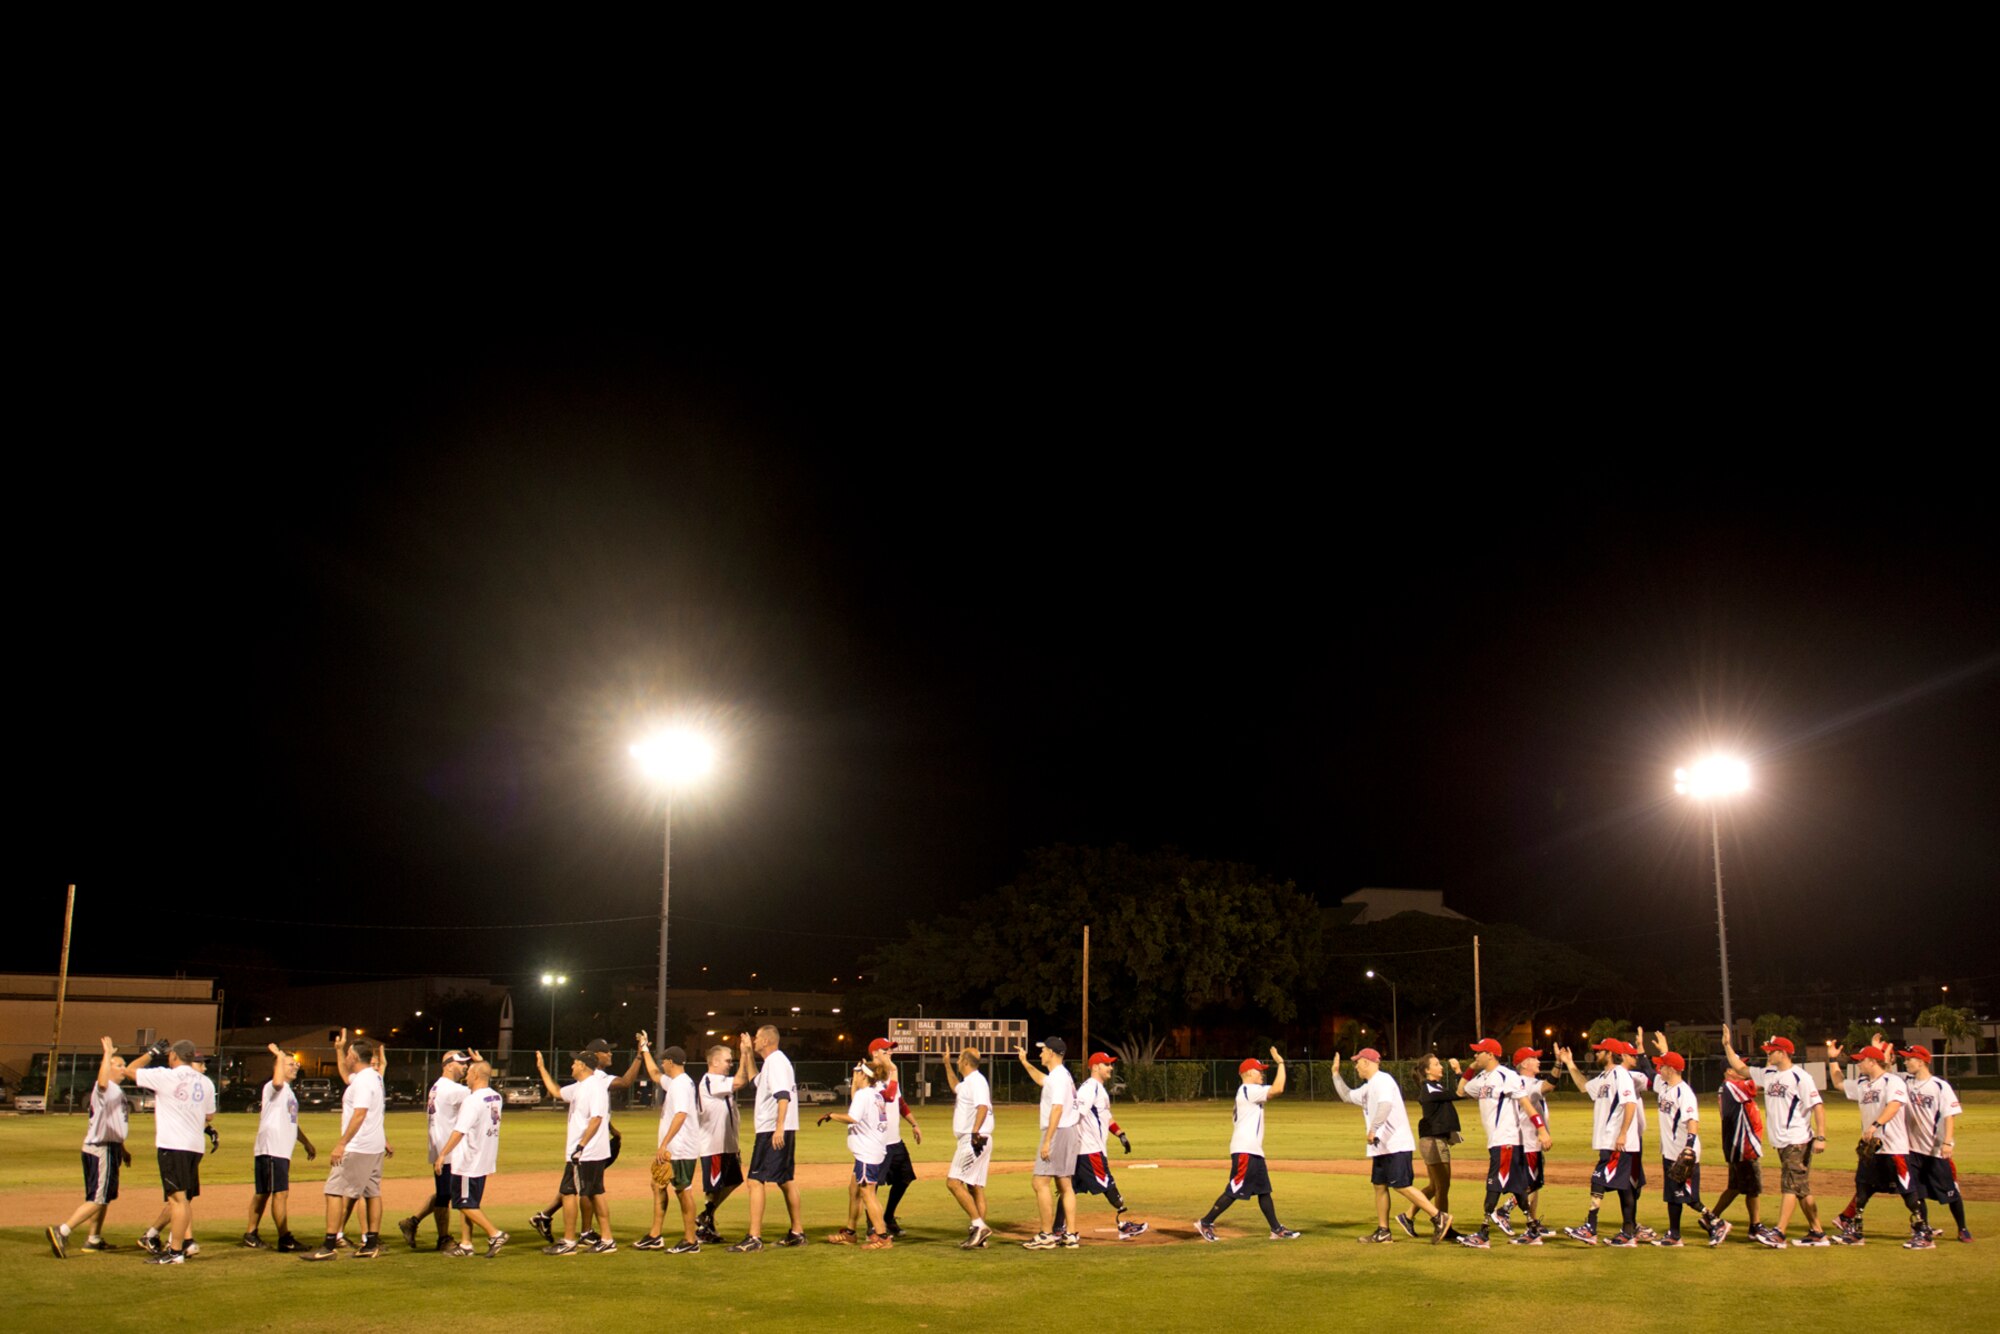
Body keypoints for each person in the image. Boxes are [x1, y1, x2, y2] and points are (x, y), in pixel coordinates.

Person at [1722, 1031, 1829, 1246]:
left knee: (1789, 1186)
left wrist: (1821, 1136)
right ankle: (1817, 1232)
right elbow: (1741, 1068)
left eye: (1771, 1052)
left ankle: (1779, 1233)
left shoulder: (1801, 1077)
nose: (1768, 1055)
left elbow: (1818, 1106)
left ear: (1782, 1053)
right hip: (1782, 1142)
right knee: (1801, 1189)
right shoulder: (1769, 1073)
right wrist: (1727, 1045)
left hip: (1797, 1140)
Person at [531, 1039, 638, 1246]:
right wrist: (542, 1069)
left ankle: (573, 1239)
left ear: (582, 1065)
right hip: (584, 1151)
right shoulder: (580, 1087)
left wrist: (580, 1147)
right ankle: (597, 1237)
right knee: (590, 1192)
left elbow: (597, 1117)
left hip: (585, 1152)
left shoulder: (595, 1086)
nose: (571, 1065)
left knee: (576, 1192)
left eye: (574, 1063)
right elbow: (556, 1092)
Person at [1335, 1048, 1447, 1244]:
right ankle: (1383, 1231)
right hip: (1382, 1147)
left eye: (1357, 1062)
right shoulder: (1368, 1086)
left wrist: (1373, 1129)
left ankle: (1439, 1217)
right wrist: (1335, 1074)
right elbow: (1346, 1096)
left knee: (1401, 1185)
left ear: (1367, 1062)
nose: (1355, 1066)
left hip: (1395, 1144)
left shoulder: (1383, 1080)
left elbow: (1385, 1105)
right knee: (1379, 1186)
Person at [1827, 1042, 1927, 1248]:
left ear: (1872, 1061)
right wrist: (1832, 1059)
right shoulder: (1863, 1084)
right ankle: (1856, 1232)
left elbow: (1895, 1105)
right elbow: (1839, 1083)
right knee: (1862, 1187)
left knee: (1907, 1191)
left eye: (1861, 1061)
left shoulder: (1892, 1081)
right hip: (1872, 1149)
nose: (1858, 1064)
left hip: (1894, 1148)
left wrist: (1875, 1125)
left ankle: (1923, 1233)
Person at [125, 1038, 215, 1264]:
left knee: (177, 1199)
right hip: (195, 1146)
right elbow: (209, 1115)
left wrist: (152, 1052)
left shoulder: (166, 1076)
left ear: (174, 1056)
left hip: (173, 1145)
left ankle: (175, 1252)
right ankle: (183, 1244)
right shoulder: (206, 1082)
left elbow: (130, 1070)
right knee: (183, 1198)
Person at [1193, 1049, 1296, 1243]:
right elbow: (1278, 1089)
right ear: (1249, 1073)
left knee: (1264, 1190)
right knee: (1234, 1189)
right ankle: (1205, 1222)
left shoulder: (1249, 1092)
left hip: (1253, 1150)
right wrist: (1281, 1064)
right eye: (1259, 1070)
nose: (1262, 1074)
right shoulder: (1248, 1090)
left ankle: (1276, 1229)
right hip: (1245, 1150)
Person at [303, 1036, 389, 1261]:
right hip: (374, 1146)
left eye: (348, 1053)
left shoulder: (363, 1082)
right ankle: (370, 1243)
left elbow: (360, 1114)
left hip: (358, 1146)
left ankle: (329, 1244)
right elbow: (345, 1075)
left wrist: (341, 1144)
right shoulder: (373, 1077)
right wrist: (339, 1050)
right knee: (372, 1193)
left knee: (333, 1190)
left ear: (354, 1056)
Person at [47, 1036, 132, 1259]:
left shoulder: (116, 1091)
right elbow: (102, 1082)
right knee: (98, 1198)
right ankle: (62, 1231)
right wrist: (106, 1054)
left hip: (110, 1147)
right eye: (119, 1064)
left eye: (124, 1064)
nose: (123, 1068)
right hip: (100, 1148)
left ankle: (94, 1239)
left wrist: (122, 1149)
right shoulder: (104, 1088)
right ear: (108, 1068)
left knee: (104, 1197)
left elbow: (112, 1124)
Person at [1452, 1039, 1540, 1247]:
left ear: (1490, 1055)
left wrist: (1542, 1130)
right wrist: (1470, 1069)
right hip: (1497, 1141)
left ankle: (1483, 1234)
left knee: (1494, 1183)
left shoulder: (1506, 1076)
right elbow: (1461, 1091)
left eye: (1478, 1053)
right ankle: (1533, 1230)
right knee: (1518, 1187)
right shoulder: (1483, 1077)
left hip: (1506, 1140)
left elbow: (1526, 1104)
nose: (1475, 1056)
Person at [1053, 1052, 1147, 1241]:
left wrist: (1120, 1133)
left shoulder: (1098, 1089)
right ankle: (1123, 1222)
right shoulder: (1089, 1089)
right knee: (1106, 1182)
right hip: (1089, 1149)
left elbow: (1105, 1117)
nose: (1110, 1067)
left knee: (1069, 1187)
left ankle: (1057, 1229)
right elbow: (1076, 1114)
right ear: (1095, 1067)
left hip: (1085, 1149)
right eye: (1106, 1064)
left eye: (1110, 1064)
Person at [1557, 1040, 1642, 1247]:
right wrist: (1569, 1063)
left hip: (1617, 1142)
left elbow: (1630, 1104)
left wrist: (1623, 1134)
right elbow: (1584, 1087)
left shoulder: (1620, 1074)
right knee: (1625, 1189)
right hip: (1609, 1141)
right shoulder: (1605, 1076)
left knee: (1598, 1178)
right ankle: (1628, 1232)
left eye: (1600, 1051)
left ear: (1611, 1053)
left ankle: (1591, 1227)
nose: (1596, 1054)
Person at [730, 1025, 806, 1251]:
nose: (754, 1040)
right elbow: (755, 1081)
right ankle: (797, 1232)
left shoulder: (776, 1062)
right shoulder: (773, 1063)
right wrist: (745, 1053)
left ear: (766, 1041)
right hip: (778, 1128)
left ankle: (754, 1238)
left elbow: (783, 1096)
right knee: (784, 1179)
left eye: (756, 1038)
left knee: (754, 1181)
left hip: (772, 1130)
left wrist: (779, 1128)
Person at [1646, 1041, 1725, 1247]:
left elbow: (1692, 1120)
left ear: (1670, 1070)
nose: (1659, 1069)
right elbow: (1645, 1070)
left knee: (1688, 1196)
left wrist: (1689, 1146)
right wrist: (1642, 1048)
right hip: (1670, 1152)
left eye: (1662, 1066)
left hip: (1684, 1153)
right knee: (1673, 1197)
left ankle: (1716, 1222)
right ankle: (1674, 1235)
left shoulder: (1684, 1092)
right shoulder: (1663, 1087)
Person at [243, 1043, 316, 1251]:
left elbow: (291, 1121)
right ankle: (285, 1238)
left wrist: (306, 1142)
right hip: (272, 1148)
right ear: (279, 1066)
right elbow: (276, 1081)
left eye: (296, 1064)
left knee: (264, 1192)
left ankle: (251, 1233)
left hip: (278, 1149)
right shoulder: (274, 1086)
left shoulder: (289, 1092)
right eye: (290, 1064)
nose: (295, 1067)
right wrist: (279, 1056)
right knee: (280, 1193)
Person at [432, 1059, 508, 1257]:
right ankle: (466, 1245)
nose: (466, 1077)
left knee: (463, 1203)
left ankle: (495, 1233)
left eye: (469, 1073)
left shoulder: (472, 1101)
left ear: (475, 1076)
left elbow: (459, 1131)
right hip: (484, 1158)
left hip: (468, 1159)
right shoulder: (495, 1097)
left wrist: (442, 1154)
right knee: (470, 1204)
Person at [637, 1033, 704, 1253]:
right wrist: (644, 1048)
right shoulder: (676, 1082)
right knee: (658, 1184)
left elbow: (681, 1114)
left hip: (681, 1148)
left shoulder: (682, 1085)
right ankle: (655, 1235)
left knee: (683, 1190)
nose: (662, 1064)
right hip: (673, 1148)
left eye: (664, 1061)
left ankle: (691, 1240)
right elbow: (655, 1075)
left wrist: (664, 1143)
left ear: (671, 1062)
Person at [400, 1049, 472, 1251]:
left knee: (444, 1193)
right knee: (445, 1195)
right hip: (448, 1149)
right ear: (448, 1065)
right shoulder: (453, 1089)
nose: (466, 1066)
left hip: (440, 1146)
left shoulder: (437, 1086)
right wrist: (482, 1066)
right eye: (462, 1063)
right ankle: (443, 1239)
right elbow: (482, 1093)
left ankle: (412, 1222)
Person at [1897, 1044, 1969, 1243]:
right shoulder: (1905, 1082)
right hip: (1912, 1149)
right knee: (1917, 1193)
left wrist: (1947, 1142)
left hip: (1936, 1150)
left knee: (1951, 1192)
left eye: (1909, 1058)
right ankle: (1924, 1228)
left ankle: (1962, 1228)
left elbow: (1949, 1116)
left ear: (1921, 1061)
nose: (1906, 1062)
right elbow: (1884, 1072)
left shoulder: (1939, 1086)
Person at [819, 1063, 895, 1249]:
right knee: (854, 1190)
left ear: (864, 1075)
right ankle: (850, 1233)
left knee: (868, 1193)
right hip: (872, 1148)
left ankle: (883, 1237)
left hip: (867, 1151)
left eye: (857, 1073)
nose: (854, 1075)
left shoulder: (864, 1095)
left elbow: (853, 1118)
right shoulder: (875, 1094)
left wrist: (832, 1115)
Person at [1017, 1038, 1081, 1249]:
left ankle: (1047, 1235)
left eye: (1044, 1050)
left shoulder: (1059, 1078)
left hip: (1058, 1132)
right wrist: (1025, 1063)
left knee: (1039, 1182)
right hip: (1068, 1132)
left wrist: (1047, 1141)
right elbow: (1042, 1080)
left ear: (1053, 1053)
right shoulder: (1061, 1075)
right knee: (1065, 1185)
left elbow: (1057, 1109)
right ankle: (1070, 1234)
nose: (1041, 1053)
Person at [864, 1039, 924, 1237]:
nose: (890, 1052)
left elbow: (898, 1102)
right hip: (878, 1143)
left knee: (905, 1178)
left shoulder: (890, 1074)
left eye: (891, 1049)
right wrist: (895, 1072)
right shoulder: (869, 1074)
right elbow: (887, 1096)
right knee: (872, 1186)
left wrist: (914, 1124)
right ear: (875, 1053)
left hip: (895, 1141)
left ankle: (888, 1218)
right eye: (886, 1050)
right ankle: (872, 1225)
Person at [940, 1047, 995, 1249]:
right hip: (979, 1137)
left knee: (953, 1183)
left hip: (974, 1139)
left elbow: (983, 1106)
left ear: (965, 1061)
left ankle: (978, 1225)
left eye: (958, 1057)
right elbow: (956, 1086)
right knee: (975, 1187)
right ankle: (980, 1235)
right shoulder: (969, 1082)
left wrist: (974, 1131)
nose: (956, 1060)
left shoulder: (977, 1081)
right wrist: (946, 1064)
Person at [694, 1043, 743, 1244]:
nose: (731, 1064)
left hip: (728, 1145)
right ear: (714, 1061)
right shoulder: (709, 1080)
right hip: (713, 1145)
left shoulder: (721, 1080)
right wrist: (747, 1053)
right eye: (728, 1060)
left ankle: (706, 1216)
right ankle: (704, 1227)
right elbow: (741, 1081)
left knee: (733, 1181)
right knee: (713, 1187)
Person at [1704, 1066, 1757, 1247]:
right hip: (1742, 1144)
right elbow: (1755, 1085)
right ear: (1728, 1071)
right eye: (1739, 1068)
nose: (1744, 1071)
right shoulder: (1732, 1086)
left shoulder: (1726, 1087)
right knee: (1752, 1188)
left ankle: (1711, 1217)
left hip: (1735, 1143)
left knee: (1734, 1186)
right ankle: (1755, 1227)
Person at [1410, 1054, 1464, 1229]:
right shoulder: (1430, 1088)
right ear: (1427, 1071)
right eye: (1436, 1064)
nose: (1441, 1066)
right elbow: (1460, 1093)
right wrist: (1458, 1072)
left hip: (1435, 1140)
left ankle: (1408, 1216)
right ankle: (1443, 1226)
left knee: (1435, 1186)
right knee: (1443, 1187)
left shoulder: (1436, 1086)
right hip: (1433, 1141)